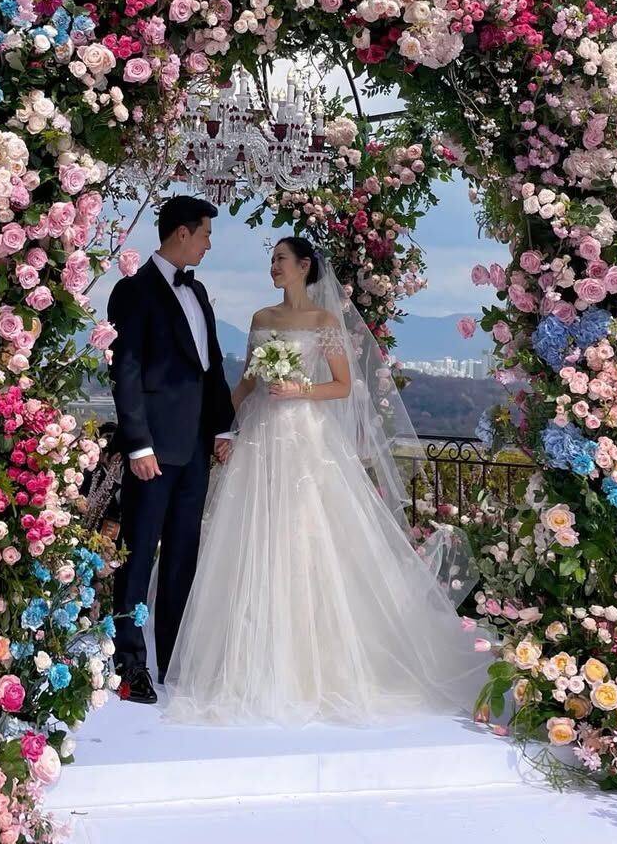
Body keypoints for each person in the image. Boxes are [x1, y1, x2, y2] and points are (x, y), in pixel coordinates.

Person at [164, 236, 489, 726]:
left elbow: (342, 385)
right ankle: (248, 660)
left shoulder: (324, 322)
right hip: (260, 439)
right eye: (270, 259)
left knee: (306, 536)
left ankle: (312, 663)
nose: (273, 266)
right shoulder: (261, 320)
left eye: (280, 259)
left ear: (303, 267)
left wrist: (299, 388)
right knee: (255, 536)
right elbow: (248, 383)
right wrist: (223, 427)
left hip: (304, 439)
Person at [107, 195, 235, 704]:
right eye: (205, 234)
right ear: (181, 233)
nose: (208, 244)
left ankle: (175, 657)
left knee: (184, 555)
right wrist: (138, 443)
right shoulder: (132, 291)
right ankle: (129, 664)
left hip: (195, 448)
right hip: (153, 450)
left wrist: (222, 429)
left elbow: (212, 367)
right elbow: (127, 371)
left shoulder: (199, 292)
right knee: (138, 558)